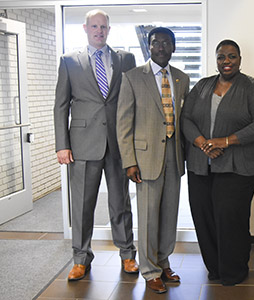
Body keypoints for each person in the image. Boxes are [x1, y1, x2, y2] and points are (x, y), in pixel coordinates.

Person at [181, 39, 254, 286]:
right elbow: (186, 119)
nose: (226, 61)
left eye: (232, 56)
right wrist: (203, 143)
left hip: (238, 166)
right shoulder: (202, 86)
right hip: (201, 166)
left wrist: (227, 141)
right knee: (204, 217)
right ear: (216, 60)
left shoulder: (251, 87)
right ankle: (215, 268)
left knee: (230, 219)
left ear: (240, 60)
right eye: (222, 57)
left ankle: (233, 271)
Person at [54, 9, 138, 281]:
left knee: (120, 203)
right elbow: (61, 106)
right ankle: (81, 259)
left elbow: (133, 102)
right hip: (81, 145)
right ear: (85, 28)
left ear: (109, 30)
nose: (99, 31)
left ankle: (127, 255)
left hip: (117, 144)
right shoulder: (69, 61)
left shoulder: (125, 59)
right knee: (81, 205)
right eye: (94, 27)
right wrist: (61, 145)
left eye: (103, 27)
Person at [116, 27, 190, 294]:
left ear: (173, 47)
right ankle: (149, 270)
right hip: (145, 158)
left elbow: (185, 121)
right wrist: (129, 161)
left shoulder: (182, 78)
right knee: (148, 216)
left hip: (174, 154)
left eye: (166, 43)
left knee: (169, 214)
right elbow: (123, 123)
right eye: (155, 42)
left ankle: (163, 261)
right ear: (149, 47)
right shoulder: (133, 77)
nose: (160, 47)